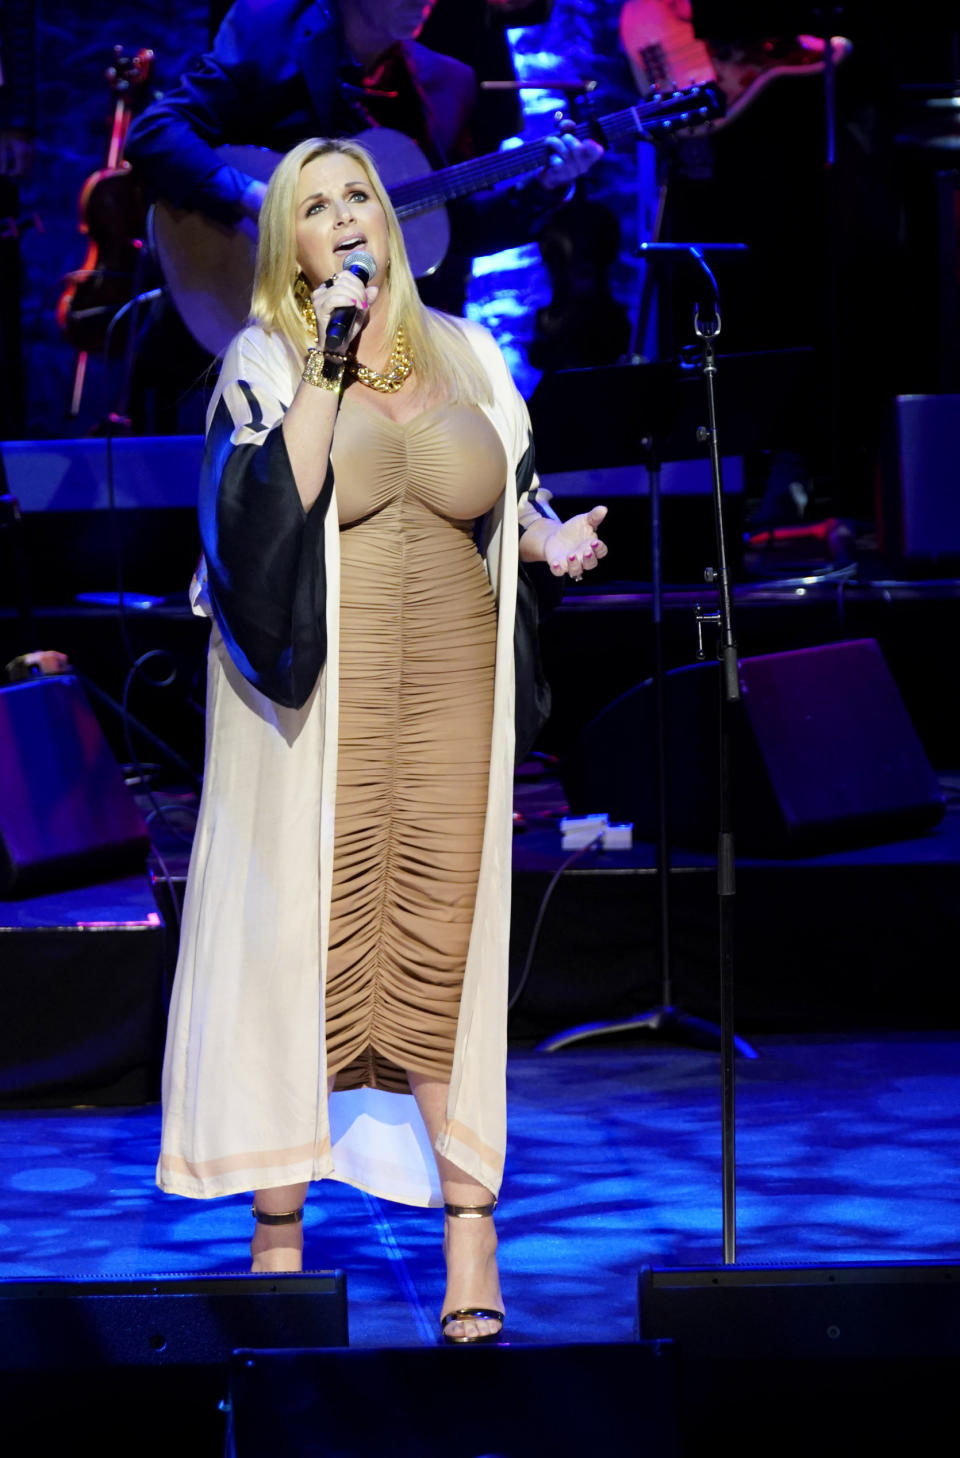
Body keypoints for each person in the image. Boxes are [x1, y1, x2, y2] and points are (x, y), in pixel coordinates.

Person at [160, 133, 608, 1344]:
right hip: (322, 703)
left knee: (444, 938)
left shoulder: (464, 349)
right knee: (303, 938)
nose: (348, 218)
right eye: (319, 208)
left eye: (360, 197)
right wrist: (327, 363)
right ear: (289, 246)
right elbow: (255, 527)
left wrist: (546, 539)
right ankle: (280, 1235)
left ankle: (471, 1225)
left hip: (455, 686)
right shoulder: (264, 361)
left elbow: (501, 488)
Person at [125, 0, 602, 317]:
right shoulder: (269, 29)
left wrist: (546, 186)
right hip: (253, 312)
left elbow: (458, 228)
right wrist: (259, 198)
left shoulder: (446, 82)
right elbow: (155, 133)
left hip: (379, 340)